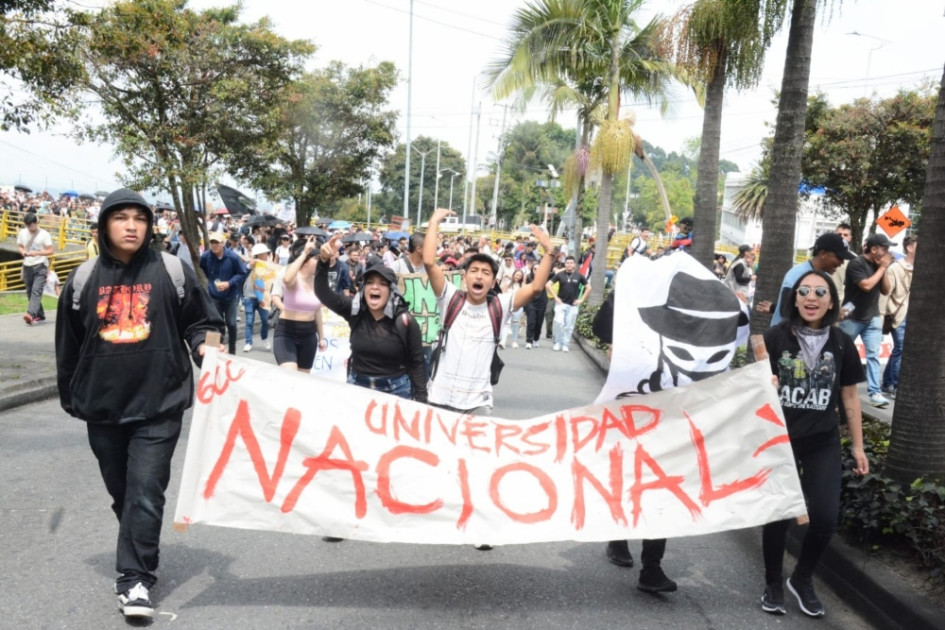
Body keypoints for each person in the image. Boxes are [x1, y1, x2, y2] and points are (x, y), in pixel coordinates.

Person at [55, 188, 223, 620]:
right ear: (105, 224)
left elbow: (203, 321)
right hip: (103, 407)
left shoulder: (171, 270)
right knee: (123, 493)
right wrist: (72, 398)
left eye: (140, 218)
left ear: (149, 226)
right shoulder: (82, 279)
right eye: (121, 217)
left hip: (159, 404)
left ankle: (135, 579)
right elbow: (68, 347)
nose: (131, 225)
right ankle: (139, 546)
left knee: (146, 492)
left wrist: (204, 348)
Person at [760, 269, 869, 617]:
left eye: (821, 292)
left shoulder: (842, 344)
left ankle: (802, 579)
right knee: (778, 517)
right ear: (794, 298)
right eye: (804, 291)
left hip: (823, 441)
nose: (812, 297)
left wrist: (858, 446)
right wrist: (766, 382)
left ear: (831, 302)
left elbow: (850, 399)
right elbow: (754, 392)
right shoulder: (774, 338)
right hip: (781, 441)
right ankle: (773, 583)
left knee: (824, 518)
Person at [423, 207, 554, 415]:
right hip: (439, 397)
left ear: (493, 281)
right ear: (464, 277)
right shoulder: (450, 299)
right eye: (474, 271)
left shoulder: (500, 305)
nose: (479, 276)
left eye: (485, 273)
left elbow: (537, 287)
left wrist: (549, 251)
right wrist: (433, 223)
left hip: (477, 404)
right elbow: (429, 263)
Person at [315, 234, 427, 401]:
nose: (375, 287)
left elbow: (417, 363)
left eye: (382, 284)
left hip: (396, 392)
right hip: (357, 388)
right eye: (370, 282)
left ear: (391, 292)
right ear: (363, 289)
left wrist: (421, 402)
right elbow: (322, 293)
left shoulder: (405, 321)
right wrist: (323, 262)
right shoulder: (355, 311)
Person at [840, 233, 895, 408]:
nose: (887, 252)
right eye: (884, 248)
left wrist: (883, 269)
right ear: (873, 249)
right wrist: (881, 268)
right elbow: (866, 285)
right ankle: (835, 386)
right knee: (841, 352)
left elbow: (886, 290)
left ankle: (875, 392)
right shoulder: (857, 263)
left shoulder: (879, 266)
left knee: (873, 355)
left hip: (872, 317)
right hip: (852, 316)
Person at [755, 232, 855, 326]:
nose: (841, 262)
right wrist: (832, 316)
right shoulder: (797, 274)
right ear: (823, 254)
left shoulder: (826, 278)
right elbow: (786, 311)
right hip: (787, 339)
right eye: (839, 257)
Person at [270, 238, 326, 372]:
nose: (320, 262)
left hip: (308, 335)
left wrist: (322, 338)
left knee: (302, 381)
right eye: (316, 259)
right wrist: (304, 253)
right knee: (291, 376)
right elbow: (287, 279)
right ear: (306, 262)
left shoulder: (319, 281)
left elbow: (317, 311)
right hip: (286, 332)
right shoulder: (293, 278)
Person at [199, 232, 247, 355]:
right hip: (214, 296)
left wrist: (229, 283)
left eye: (217, 242)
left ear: (223, 243)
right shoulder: (206, 257)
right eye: (212, 243)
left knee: (231, 323)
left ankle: (232, 350)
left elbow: (242, 273)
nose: (214, 245)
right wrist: (211, 282)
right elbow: (203, 268)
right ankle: (214, 351)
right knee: (215, 324)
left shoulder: (233, 257)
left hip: (230, 296)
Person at [881, 235, 916, 398]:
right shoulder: (896, 268)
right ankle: (896, 386)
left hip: (915, 316)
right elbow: (886, 292)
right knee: (901, 349)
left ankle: (887, 382)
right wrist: (883, 314)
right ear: (909, 247)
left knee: (899, 350)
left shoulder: (924, 267)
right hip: (899, 314)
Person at [17, 211, 55, 325]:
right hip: (27, 265)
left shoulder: (44, 234)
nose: (29, 228)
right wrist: (23, 251)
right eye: (27, 226)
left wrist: (38, 253)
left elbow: (50, 250)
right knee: (29, 291)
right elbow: (19, 246)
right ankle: (40, 315)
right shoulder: (23, 233)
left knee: (36, 290)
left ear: (36, 223)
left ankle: (31, 314)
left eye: (31, 225)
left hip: (40, 266)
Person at [547, 255, 591, 352]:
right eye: (567, 263)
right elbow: (548, 285)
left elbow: (588, 287)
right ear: (565, 264)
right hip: (560, 303)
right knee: (558, 322)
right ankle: (558, 342)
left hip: (573, 305)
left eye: (571, 263)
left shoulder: (579, 276)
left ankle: (565, 343)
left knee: (569, 326)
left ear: (574, 264)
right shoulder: (560, 274)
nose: (569, 265)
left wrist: (581, 300)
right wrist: (555, 297)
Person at [242, 243, 274, 353]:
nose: (263, 256)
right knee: (249, 321)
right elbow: (243, 271)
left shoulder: (269, 266)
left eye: (264, 254)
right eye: (260, 254)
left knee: (265, 320)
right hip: (249, 296)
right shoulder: (251, 264)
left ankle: (264, 338)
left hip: (263, 298)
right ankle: (248, 342)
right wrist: (250, 265)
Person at [500, 268, 526, 348]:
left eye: (520, 276)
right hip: (507, 306)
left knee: (515, 323)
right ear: (513, 274)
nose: (518, 277)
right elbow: (503, 295)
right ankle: (502, 341)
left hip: (517, 307)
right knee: (506, 323)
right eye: (516, 274)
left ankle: (514, 341)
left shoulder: (522, 286)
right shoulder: (507, 284)